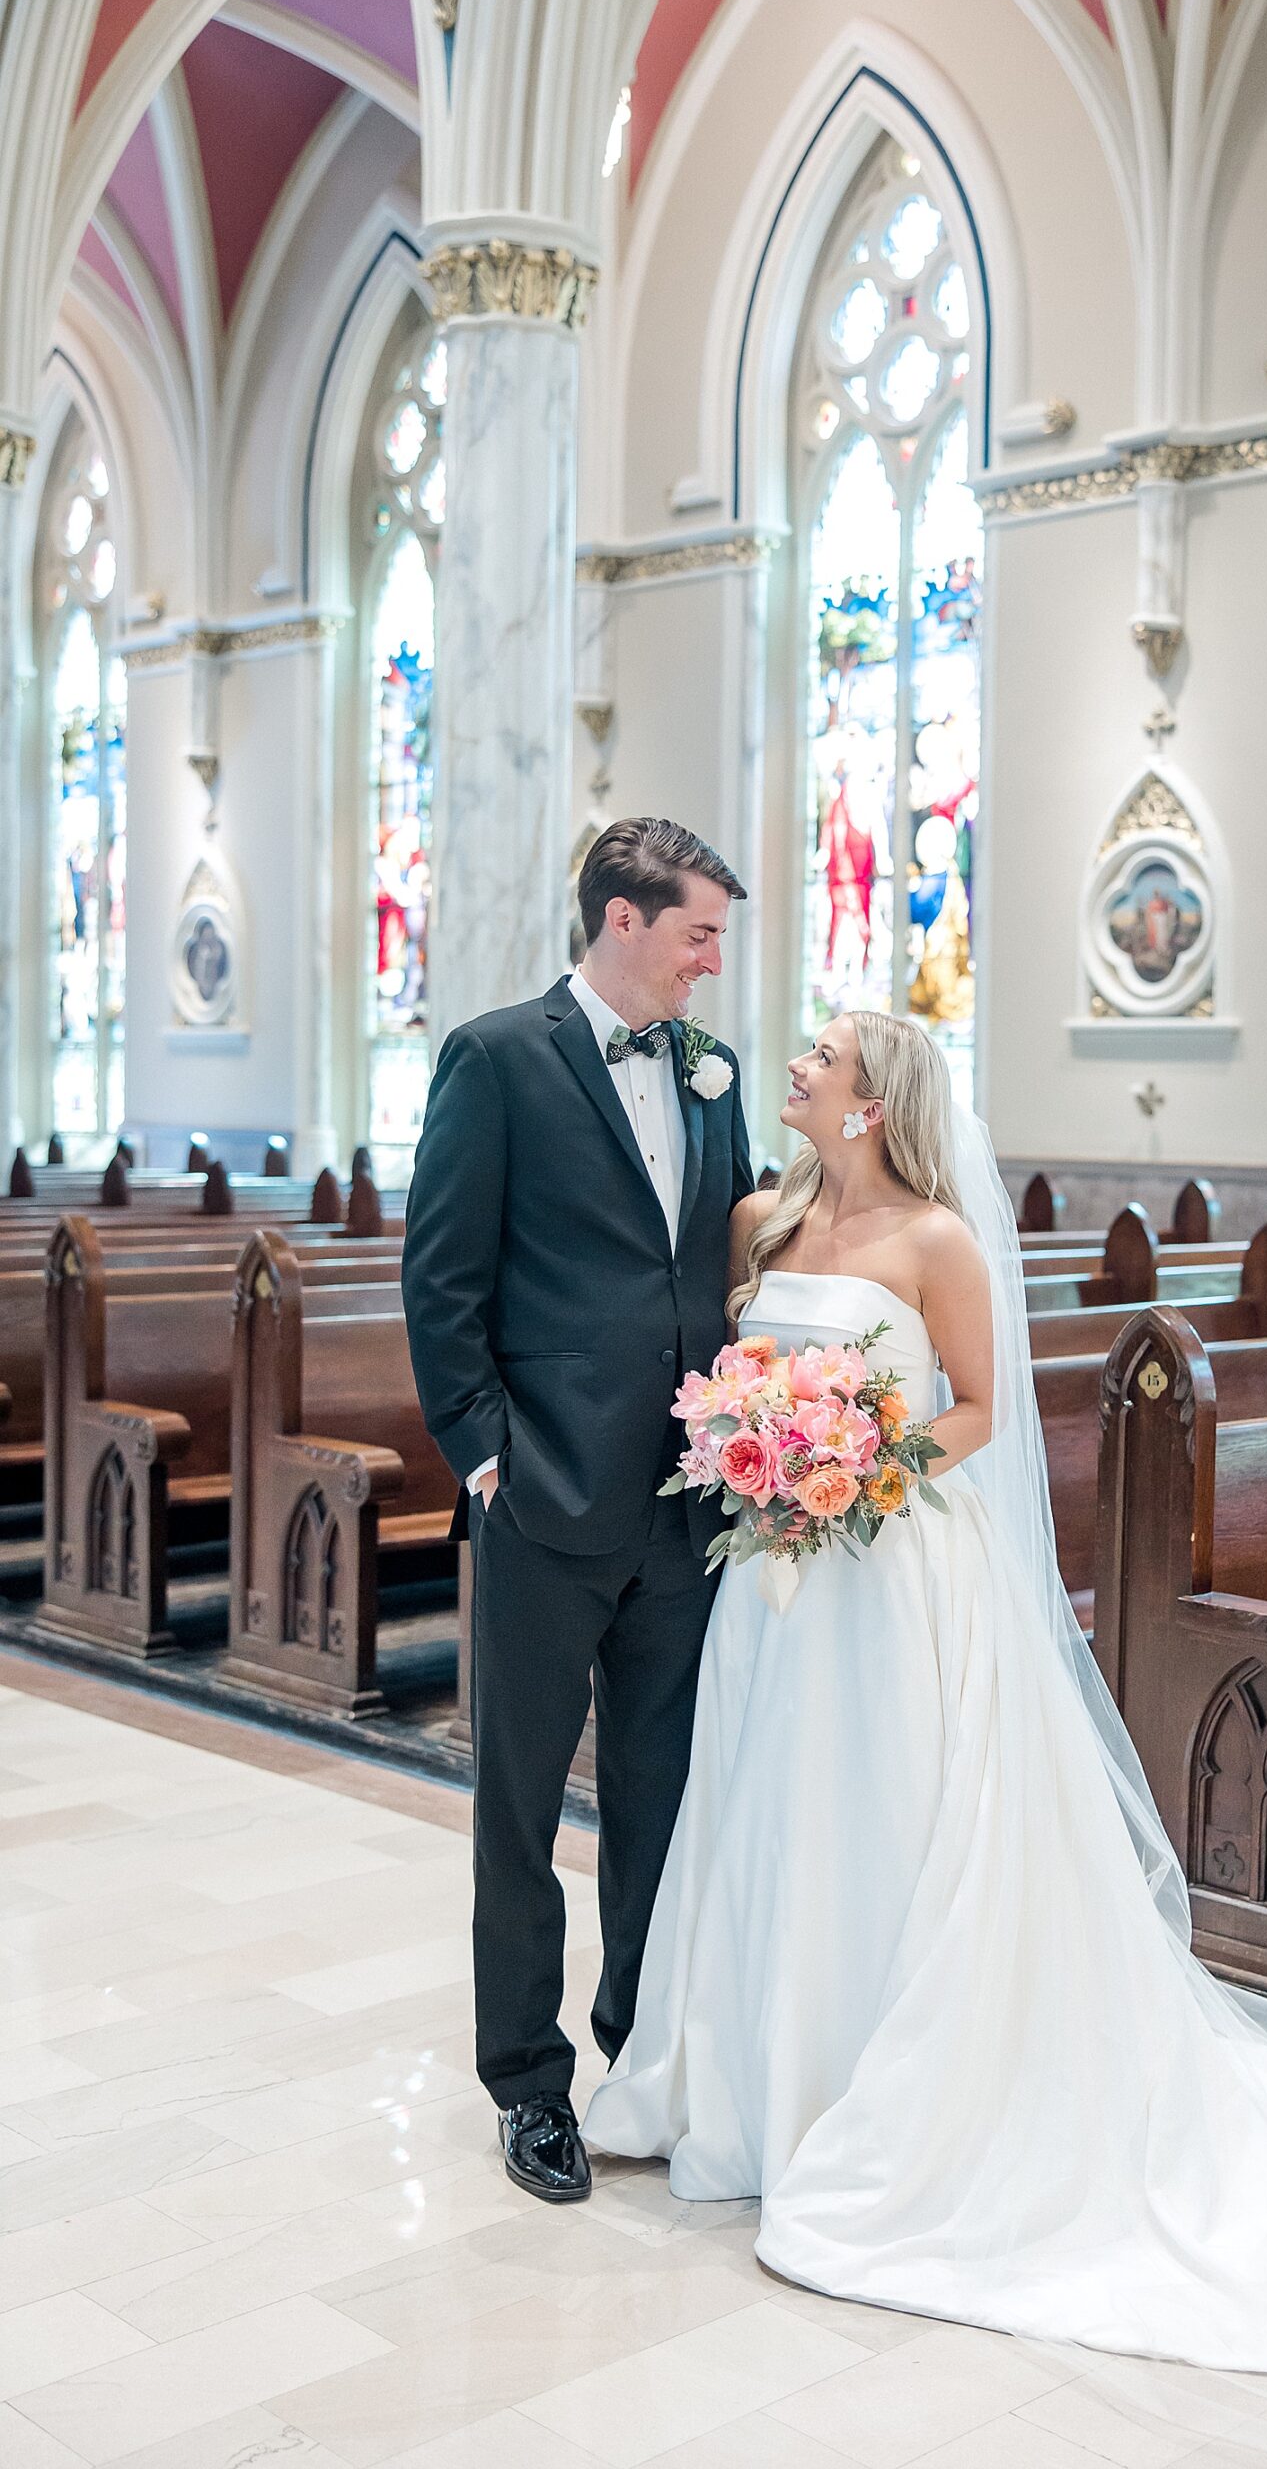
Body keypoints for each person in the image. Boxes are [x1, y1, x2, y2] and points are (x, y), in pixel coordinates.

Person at [584, 1007, 1267, 2371]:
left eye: (824, 1059)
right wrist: (756, 1448)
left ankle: (882, 2095)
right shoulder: (761, 1218)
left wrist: (852, 1469)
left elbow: (979, 1411)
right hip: (776, 1583)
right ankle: (749, 2085)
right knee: (770, 1808)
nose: (798, 1067)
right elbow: (734, 1376)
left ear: (873, 1104)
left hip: (882, 1566)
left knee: (883, 1812)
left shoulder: (937, 1241)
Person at [403, 817, 754, 2206]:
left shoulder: (707, 1073)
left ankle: (641, 2056)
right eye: (698, 933)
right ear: (623, 918)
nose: (712, 962)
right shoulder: (497, 1059)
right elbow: (443, 1288)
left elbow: (719, 1255)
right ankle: (528, 2083)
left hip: (682, 1507)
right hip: (544, 1497)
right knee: (519, 1809)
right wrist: (487, 1460)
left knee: (662, 1806)